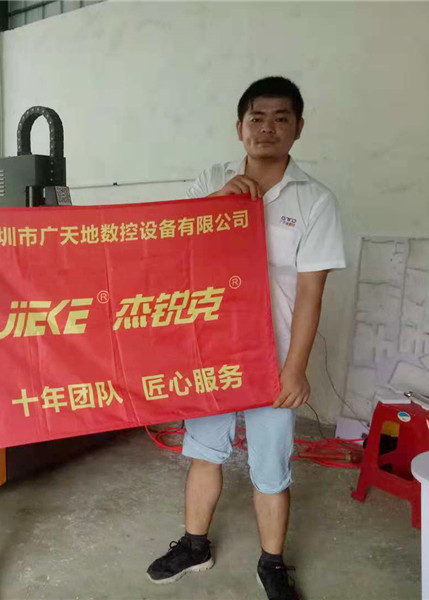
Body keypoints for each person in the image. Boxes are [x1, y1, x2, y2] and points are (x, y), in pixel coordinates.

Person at [146, 76, 346, 600]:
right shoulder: (211, 181)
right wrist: (215, 203)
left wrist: (295, 368)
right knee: (204, 452)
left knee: (270, 467)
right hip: (212, 352)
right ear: (240, 127)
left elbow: (311, 293)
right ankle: (195, 545)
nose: (267, 128)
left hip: (271, 361)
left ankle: (272, 563)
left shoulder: (314, 201)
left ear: (298, 128)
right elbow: (173, 252)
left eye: (281, 118)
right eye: (257, 118)